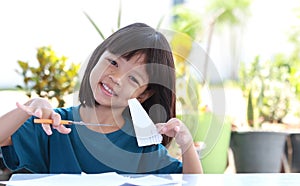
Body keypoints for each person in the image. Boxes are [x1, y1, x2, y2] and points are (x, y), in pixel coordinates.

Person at [0, 23, 202, 174]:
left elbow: (190, 185)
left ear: (143, 95)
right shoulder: (53, 125)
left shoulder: (141, 145)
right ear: (97, 58)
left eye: (133, 78)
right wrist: (30, 107)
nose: (116, 79)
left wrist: (185, 143)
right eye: (113, 62)